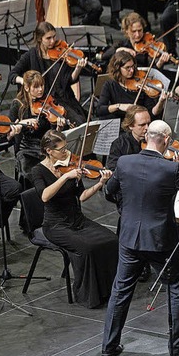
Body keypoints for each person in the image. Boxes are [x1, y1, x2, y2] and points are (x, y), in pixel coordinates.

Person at [101, 120, 179, 356]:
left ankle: (108, 347)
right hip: (161, 242)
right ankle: (177, 347)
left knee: (120, 291)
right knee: (177, 288)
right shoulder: (171, 169)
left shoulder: (125, 163)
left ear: (146, 135)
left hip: (129, 239)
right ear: (166, 140)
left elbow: (108, 192)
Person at [31, 130, 118, 308]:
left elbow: (83, 196)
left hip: (77, 220)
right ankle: (88, 295)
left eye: (66, 148)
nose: (66, 153)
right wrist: (65, 177)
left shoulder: (69, 166)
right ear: (49, 150)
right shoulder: (38, 171)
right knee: (87, 248)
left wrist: (100, 183)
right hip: (55, 225)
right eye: (62, 149)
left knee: (111, 240)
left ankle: (110, 290)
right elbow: (45, 196)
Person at [105, 106, 153, 282]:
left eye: (149, 123)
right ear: (130, 126)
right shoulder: (119, 145)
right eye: (142, 125)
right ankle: (139, 260)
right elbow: (114, 173)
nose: (147, 128)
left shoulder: (154, 140)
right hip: (128, 194)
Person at [8, 22, 87, 125]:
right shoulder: (31, 55)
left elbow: (70, 80)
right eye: (48, 38)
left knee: (81, 120)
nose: (53, 41)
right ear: (40, 38)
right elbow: (12, 75)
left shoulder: (61, 53)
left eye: (54, 37)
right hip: (42, 101)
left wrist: (78, 68)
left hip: (63, 98)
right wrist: (25, 82)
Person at [9, 70, 65, 178]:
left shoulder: (48, 103)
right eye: (36, 87)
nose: (40, 90)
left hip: (46, 146)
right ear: (26, 88)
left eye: (42, 85)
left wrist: (58, 127)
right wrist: (21, 123)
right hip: (26, 148)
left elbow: (51, 132)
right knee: (32, 175)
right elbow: (9, 129)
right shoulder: (17, 104)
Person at [96, 51, 167, 121]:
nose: (132, 70)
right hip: (120, 123)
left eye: (133, 66)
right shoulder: (110, 85)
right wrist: (118, 106)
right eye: (127, 68)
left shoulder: (141, 85)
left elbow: (152, 113)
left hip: (138, 123)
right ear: (117, 68)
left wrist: (160, 102)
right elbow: (99, 110)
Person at [100, 12, 171, 68]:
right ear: (126, 31)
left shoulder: (149, 48)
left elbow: (153, 72)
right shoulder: (122, 45)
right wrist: (122, 50)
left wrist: (160, 63)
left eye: (140, 30)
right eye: (133, 31)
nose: (137, 35)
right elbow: (104, 56)